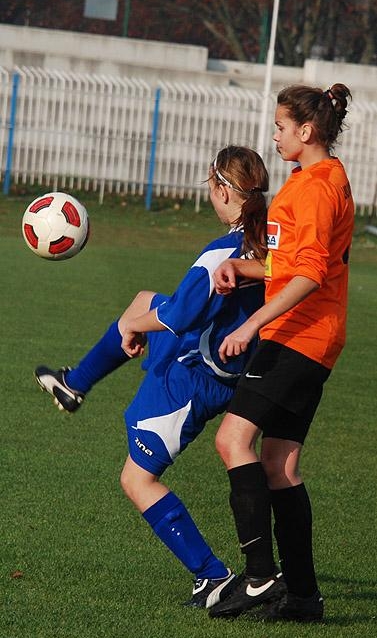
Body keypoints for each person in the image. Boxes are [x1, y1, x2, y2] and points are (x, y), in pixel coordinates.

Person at [35, 146, 283, 609]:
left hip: (200, 378)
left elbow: (183, 314)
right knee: (144, 297)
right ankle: (75, 384)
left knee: (136, 479)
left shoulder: (220, 253)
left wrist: (134, 328)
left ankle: (212, 578)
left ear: (220, 189)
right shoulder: (265, 238)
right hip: (216, 355)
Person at [207, 84, 354, 622]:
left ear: (306, 131)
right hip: (314, 336)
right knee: (278, 463)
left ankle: (259, 576)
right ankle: (305, 597)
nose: (274, 135)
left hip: (298, 336)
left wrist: (252, 322)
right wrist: (242, 268)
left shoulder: (316, 188)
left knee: (232, 440)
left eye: (280, 126)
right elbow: (292, 263)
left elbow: (310, 275)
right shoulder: (313, 180)